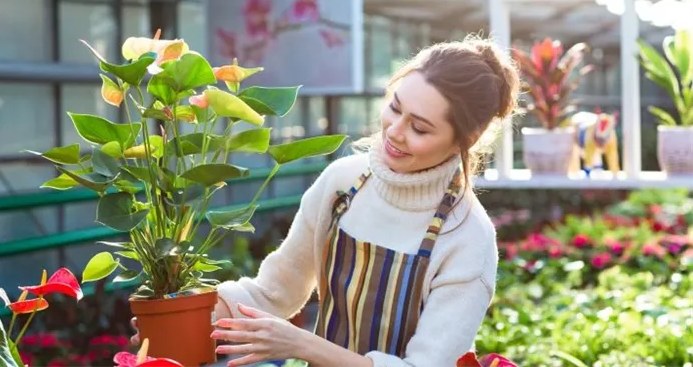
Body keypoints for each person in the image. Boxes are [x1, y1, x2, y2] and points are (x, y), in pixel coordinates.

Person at [132, 35, 520, 367]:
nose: (395, 132)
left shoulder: (466, 235)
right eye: (395, 108)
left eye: (419, 128)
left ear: (462, 140)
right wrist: (179, 322)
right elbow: (271, 294)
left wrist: (301, 344)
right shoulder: (343, 184)